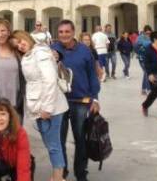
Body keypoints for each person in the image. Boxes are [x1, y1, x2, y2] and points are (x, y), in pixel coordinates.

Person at [13, 30, 67, 181]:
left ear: (27, 37)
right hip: (40, 105)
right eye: (17, 44)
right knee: (51, 144)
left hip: (49, 107)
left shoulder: (40, 53)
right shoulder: (30, 53)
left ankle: (58, 177)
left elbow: (49, 80)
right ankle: (58, 176)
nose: (20, 45)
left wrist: (47, 108)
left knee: (53, 145)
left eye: (21, 40)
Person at [51, 20, 100, 181]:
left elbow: (93, 76)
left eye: (67, 31)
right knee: (59, 139)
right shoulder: (52, 50)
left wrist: (95, 99)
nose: (64, 35)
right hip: (59, 102)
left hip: (81, 101)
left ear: (73, 32)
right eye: (61, 32)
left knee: (80, 139)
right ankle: (62, 172)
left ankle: (81, 173)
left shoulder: (85, 51)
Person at [135, 26, 153, 95]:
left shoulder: (151, 37)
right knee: (147, 72)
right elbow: (136, 46)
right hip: (142, 58)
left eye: (149, 31)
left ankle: (143, 89)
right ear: (144, 31)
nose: (148, 32)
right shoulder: (140, 37)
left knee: (146, 73)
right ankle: (148, 89)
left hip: (149, 58)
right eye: (147, 31)